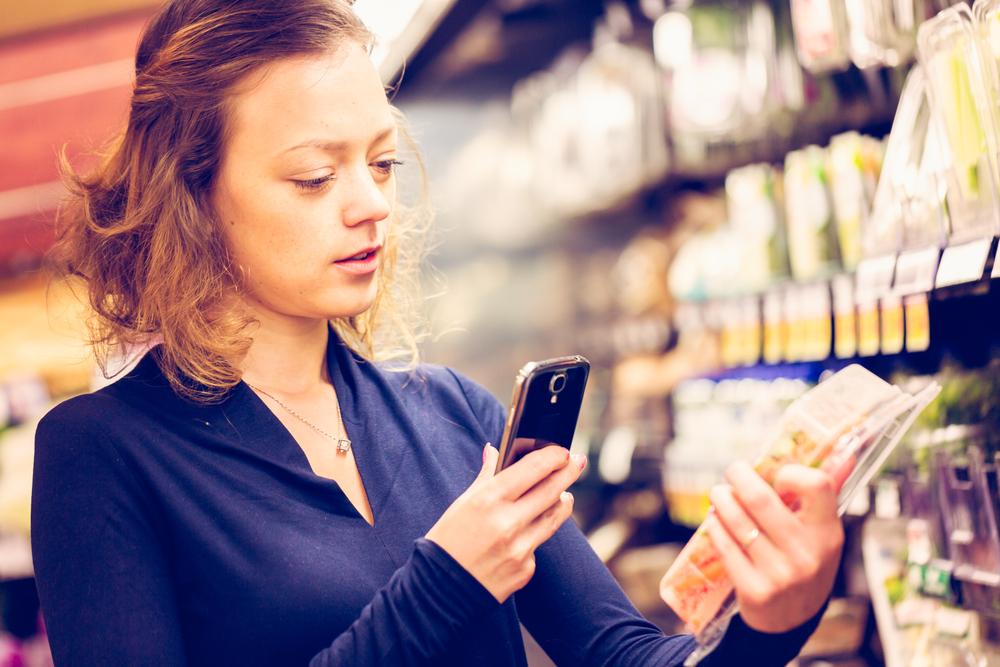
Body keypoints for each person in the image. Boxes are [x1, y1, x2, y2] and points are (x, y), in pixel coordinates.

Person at [30, 1, 846, 665]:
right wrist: (448, 578)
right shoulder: (103, 453)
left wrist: (769, 617)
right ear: (192, 194)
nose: (371, 205)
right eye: (316, 177)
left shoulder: (449, 414)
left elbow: (622, 655)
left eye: (381, 164)